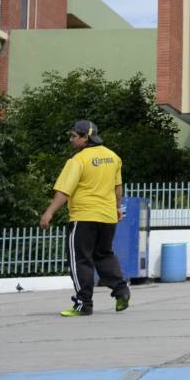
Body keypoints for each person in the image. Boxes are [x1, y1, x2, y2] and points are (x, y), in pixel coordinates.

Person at [38, 120, 131, 317]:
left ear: (85, 137)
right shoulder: (113, 157)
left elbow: (64, 191)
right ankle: (121, 290)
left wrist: (49, 212)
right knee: (104, 255)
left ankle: (83, 304)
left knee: (80, 260)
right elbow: (118, 187)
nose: (71, 140)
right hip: (107, 218)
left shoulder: (78, 160)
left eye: (74, 136)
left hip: (84, 216)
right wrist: (117, 208)